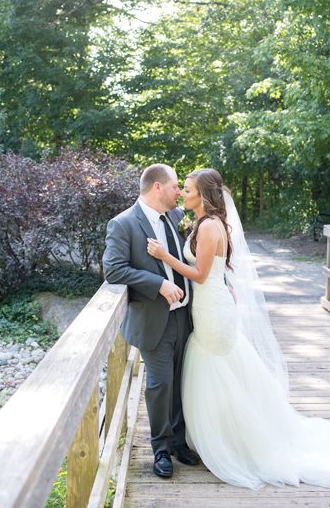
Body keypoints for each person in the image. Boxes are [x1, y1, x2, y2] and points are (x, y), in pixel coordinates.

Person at [145, 168, 330, 490]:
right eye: (181, 189)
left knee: (215, 366)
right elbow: (212, 270)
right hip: (210, 304)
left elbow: (199, 274)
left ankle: (236, 441)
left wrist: (164, 256)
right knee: (221, 368)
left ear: (203, 195)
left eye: (187, 190)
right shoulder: (203, 223)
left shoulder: (210, 226)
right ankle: (221, 435)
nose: (182, 195)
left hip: (212, 309)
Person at [103, 164, 202, 478]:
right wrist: (156, 284)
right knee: (160, 384)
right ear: (157, 187)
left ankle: (178, 441)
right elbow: (114, 271)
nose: (178, 192)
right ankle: (160, 450)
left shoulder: (174, 218)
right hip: (153, 318)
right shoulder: (122, 224)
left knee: (181, 380)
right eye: (175, 186)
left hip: (185, 315)